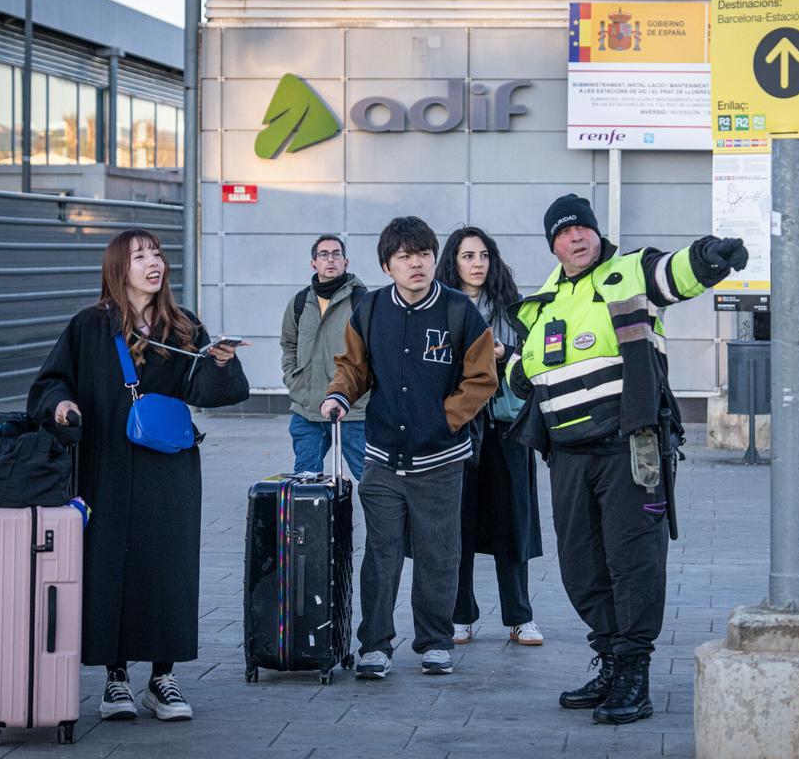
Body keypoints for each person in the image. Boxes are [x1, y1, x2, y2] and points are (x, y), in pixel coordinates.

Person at [507, 194, 747, 725]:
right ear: (553, 244)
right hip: (567, 456)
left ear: (596, 233)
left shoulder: (628, 273)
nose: (576, 238)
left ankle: (634, 673)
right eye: (564, 233)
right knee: (581, 567)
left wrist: (710, 255)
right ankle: (611, 660)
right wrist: (514, 374)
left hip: (628, 446)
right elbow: (523, 368)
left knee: (632, 560)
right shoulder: (542, 300)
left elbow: (675, 273)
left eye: (583, 230)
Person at [27, 229, 249, 722]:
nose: (154, 263)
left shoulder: (184, 325)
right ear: (117, 268)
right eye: (140, 256)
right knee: (109, 567)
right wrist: (61, 403)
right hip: (107, 464)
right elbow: (52, 378)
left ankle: (163, 678)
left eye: (157, 254)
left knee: (168, 568)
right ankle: (115, 678)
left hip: (168, 468)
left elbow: (211, 394)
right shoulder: (90, 325)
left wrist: (222, 364)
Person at [320, 216, 497, 679]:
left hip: (440, 460)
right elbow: (353, 368)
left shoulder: (459, 311)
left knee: (439, 556)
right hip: (381, 458)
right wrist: (339, 395)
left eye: (423, 255)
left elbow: (482, 380)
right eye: (404, 257)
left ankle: (435, 642)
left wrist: (443, 421)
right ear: (386, 265)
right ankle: (375, 645)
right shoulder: (371, 309)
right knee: (381, 554)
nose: (415, 264)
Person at [434, 226, 544, 648]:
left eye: (483, 255)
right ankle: (460, 615)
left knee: (512, 525)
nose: (477, 264)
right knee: (458, 524)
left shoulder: (513, 307)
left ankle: (520, 616)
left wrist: (507, 354)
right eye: (468, 256)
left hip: (507, 428)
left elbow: (534, 364)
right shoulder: (443, 306)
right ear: (453, 262)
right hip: (461, 429)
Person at [280, 234, 369, 479]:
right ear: (314, 263)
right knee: (306, 483)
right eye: (323, 254)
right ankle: (313, 520)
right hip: (307, 410)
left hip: (354, 410)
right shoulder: (299, 303)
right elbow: (289, 345)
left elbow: (375, 351)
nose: (330, 259)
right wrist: (292, 378)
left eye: (336, 254)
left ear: (346, 261)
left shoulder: (361, 300)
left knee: (371, 482)